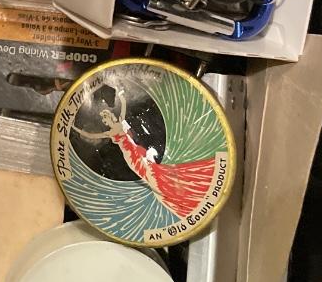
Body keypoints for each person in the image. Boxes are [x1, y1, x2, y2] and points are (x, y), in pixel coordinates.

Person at [74, 84, 216, 218]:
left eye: (107, 117)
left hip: (137, 151)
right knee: (149, 175)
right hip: (130, 156)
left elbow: (122, 109)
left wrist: (122, 96)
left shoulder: (119, 124)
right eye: (105, 119)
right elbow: (92, 135)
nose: (107, 120)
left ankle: (177, 195)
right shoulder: (111, 131)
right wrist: (76, 129)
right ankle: (176, 197)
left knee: (154, 173)